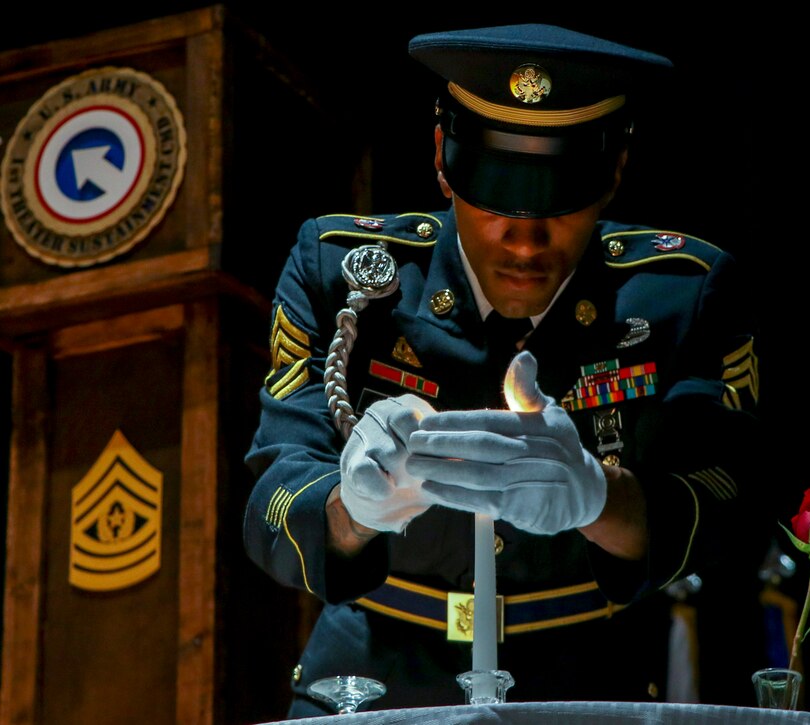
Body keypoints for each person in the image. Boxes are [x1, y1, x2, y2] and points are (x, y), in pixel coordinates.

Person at [244, 23, 773, 716]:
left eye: (561, 195)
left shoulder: (681, 293)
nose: (525, 235)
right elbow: (269, 506)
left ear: (614, 170)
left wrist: (602, 498)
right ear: (441, 155)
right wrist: (355, 509)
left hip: (588, 683)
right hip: (370, 682)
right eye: (495, 192)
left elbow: (737, 498)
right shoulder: (343, 273)